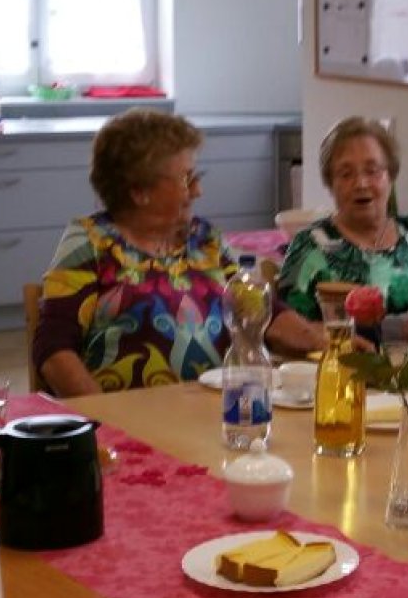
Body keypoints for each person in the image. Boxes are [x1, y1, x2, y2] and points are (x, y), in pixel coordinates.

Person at [34, 111, 323, 395]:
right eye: (187, 179)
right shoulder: (90, 242)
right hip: (127, 415)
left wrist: (322, 339)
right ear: (139, 191)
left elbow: (257, 309)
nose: (198, 190)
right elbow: (54, 350)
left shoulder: (204, 239)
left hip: (215, 409)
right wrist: (101, 417)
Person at [278, 117, 408, 342]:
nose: (361, 183)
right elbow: (288, 331)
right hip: (353, 361)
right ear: (330, 184)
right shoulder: (310, 246)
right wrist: (396, 331)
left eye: (372, 171)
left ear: (390, 176)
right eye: (346, 174)